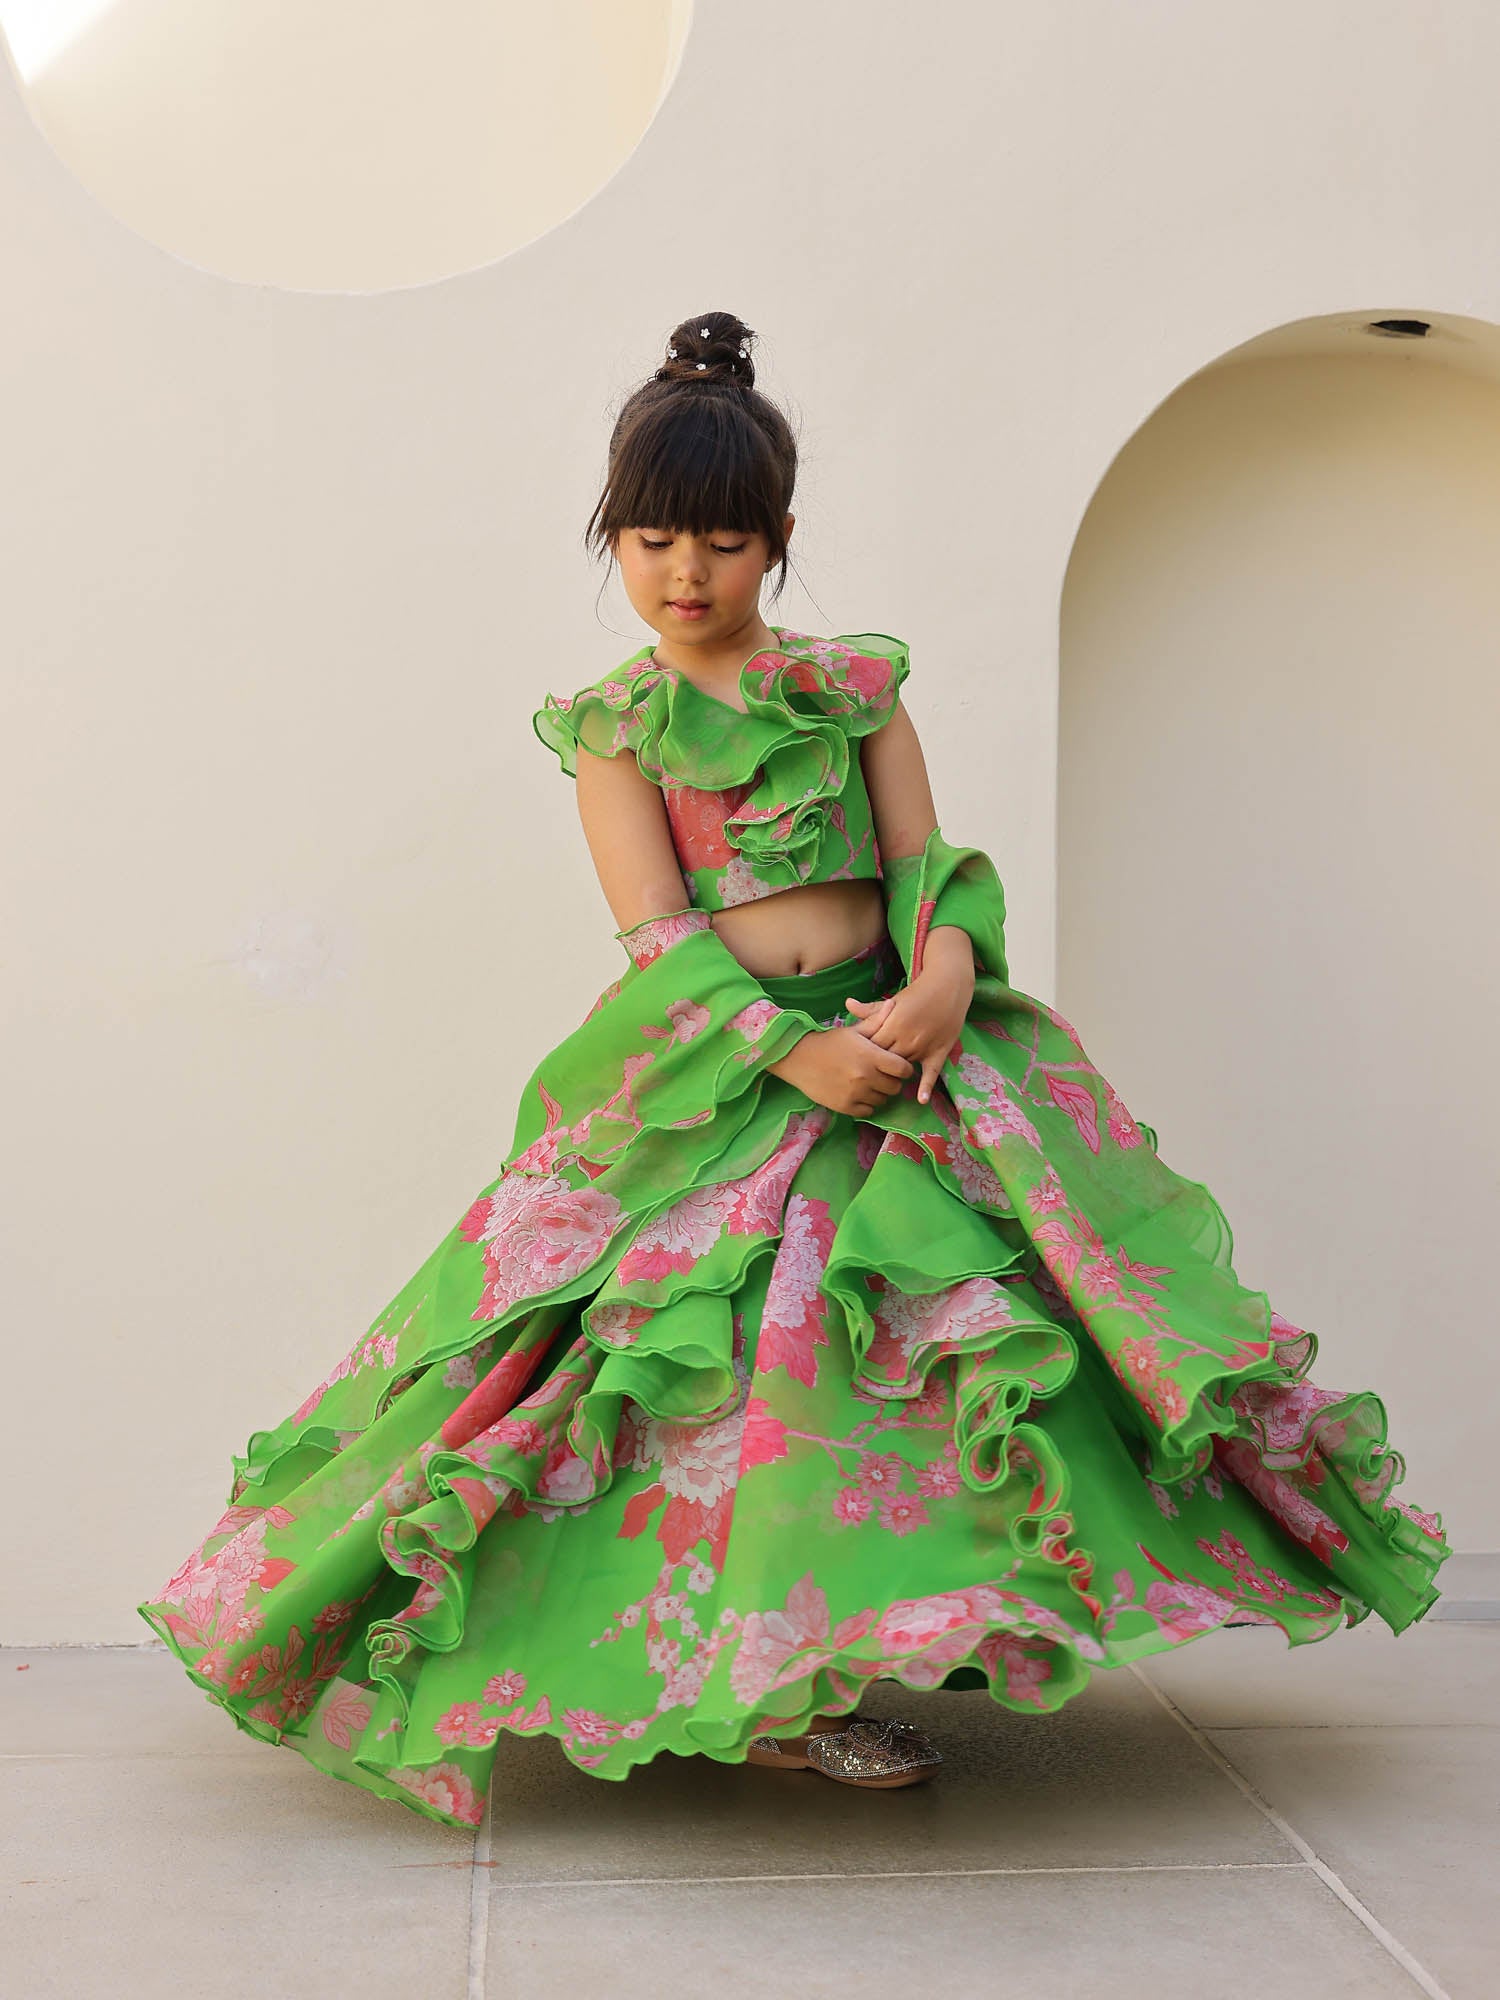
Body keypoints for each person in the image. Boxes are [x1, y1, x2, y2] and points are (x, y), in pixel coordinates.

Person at [137, 309, 1451, 1830]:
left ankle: (883, 1638)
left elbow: (925, 863)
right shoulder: (621, 731)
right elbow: (660, 937)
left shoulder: (856, 690)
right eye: (647, 541)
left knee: (927, 1351)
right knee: (681, 1365)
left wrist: (947, 971)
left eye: (719, 543)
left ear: (778, 544)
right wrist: (790, 1050)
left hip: (901, 1043)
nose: (683, 575)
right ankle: (756, 1686)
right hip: (722, 1074)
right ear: (609, 542)